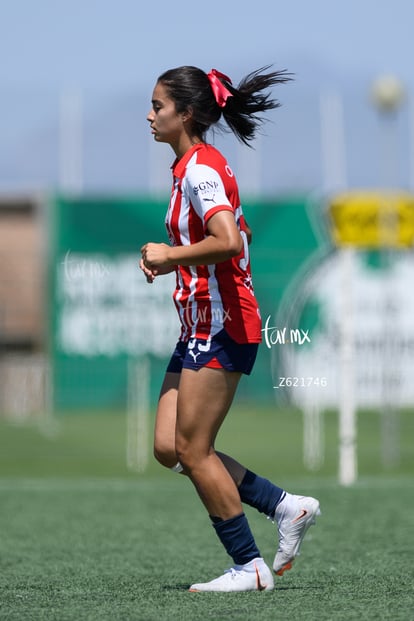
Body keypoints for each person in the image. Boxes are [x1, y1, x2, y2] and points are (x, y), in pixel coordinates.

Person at [140, 65, 320, 593]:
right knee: (169, 448)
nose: (150, 115)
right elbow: (228, 235)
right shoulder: (190, 167)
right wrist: (173, 261)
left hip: (222, 325)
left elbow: (230, 240)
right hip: (200, 323)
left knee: (193, 450)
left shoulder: (200, 169)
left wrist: (171, 255)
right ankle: (285, 507)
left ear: (186, 114)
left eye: (158, 106)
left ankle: (250, 567)